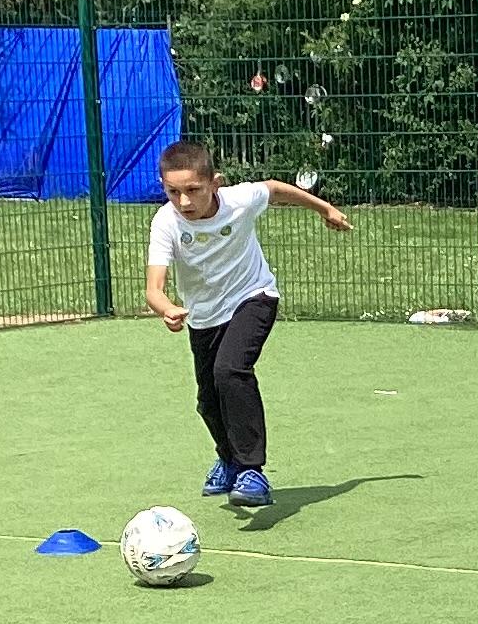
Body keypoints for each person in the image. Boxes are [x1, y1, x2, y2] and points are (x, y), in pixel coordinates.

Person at [143, 139, 352, 511]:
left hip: (254, 296)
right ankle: (229, 460)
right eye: (173, 192)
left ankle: (252, 472)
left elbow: (275, 189)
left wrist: (325, 209)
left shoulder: (239, 201)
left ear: (215, 183)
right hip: (204, 317)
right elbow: (153, 289)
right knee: (208, 401)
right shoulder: (166, 222)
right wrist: (167, 308)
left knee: (231, 370)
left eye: (193, 190)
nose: (184, 201)